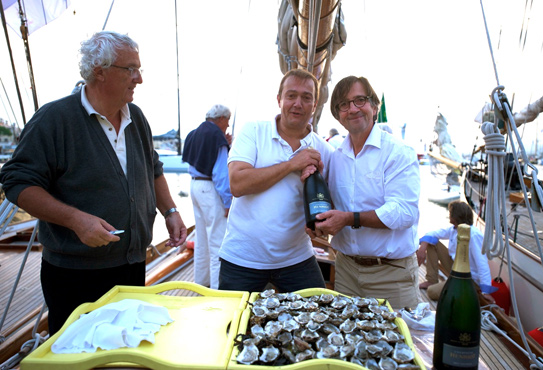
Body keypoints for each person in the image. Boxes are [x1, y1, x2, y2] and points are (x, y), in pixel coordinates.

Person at [0, 31, 187, 334]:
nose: (138, 78)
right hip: (75, 275)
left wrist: (171, 212)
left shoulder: (135, 117)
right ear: (100, 71)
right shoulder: (54, 119)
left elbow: (154, 169)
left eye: (139, 69)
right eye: (130, 69)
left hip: (131, 265)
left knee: (126, 350)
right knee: (77, 358)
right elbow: (17, 182)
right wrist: (75, 220)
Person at [306, 75, 421, 309]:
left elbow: (403, 213)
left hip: (391, 275)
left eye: (360, 100)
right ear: (338, 115)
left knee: (396, 343)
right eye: (344, 105)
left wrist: (349, 219)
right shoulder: (335, 156)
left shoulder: (398, 153)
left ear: (374, 106)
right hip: (346, 271)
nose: (353, 109)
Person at [218, 69, 334, 292]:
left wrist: (320, 224)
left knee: (319, 316)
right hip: (243, 258)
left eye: (306, 97)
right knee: (233, 324)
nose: (298, 103)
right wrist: (292, 164)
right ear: (279, 99)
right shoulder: (253, 131)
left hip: (296, 258)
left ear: (315, 103)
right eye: (291, 95)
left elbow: (329, 204)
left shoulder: (324, 150)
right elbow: (237, 184)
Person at [181, 104, 232, 289]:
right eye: (227, 121)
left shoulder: (194, 133)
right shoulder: (216, 136)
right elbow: (221, 173)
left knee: (201, 239)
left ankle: (201, 282)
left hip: (194, 185)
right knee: (218, 240)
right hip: (209, 189)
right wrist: (227, 201)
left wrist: (224, 142)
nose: (227, 125)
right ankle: (218, 289)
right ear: (221, 119)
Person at [416, 200, 496, 303]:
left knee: (432, 292)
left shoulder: (474, 235)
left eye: (450, 213)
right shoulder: (454, 229)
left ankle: (463, 290)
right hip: (455, 267)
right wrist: (422, 248)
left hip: (468, 278)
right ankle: (431, 280)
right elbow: (433, 234)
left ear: (456, 216)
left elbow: (482, 264)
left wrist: (486, 291)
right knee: (432, 243)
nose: (449, 215)